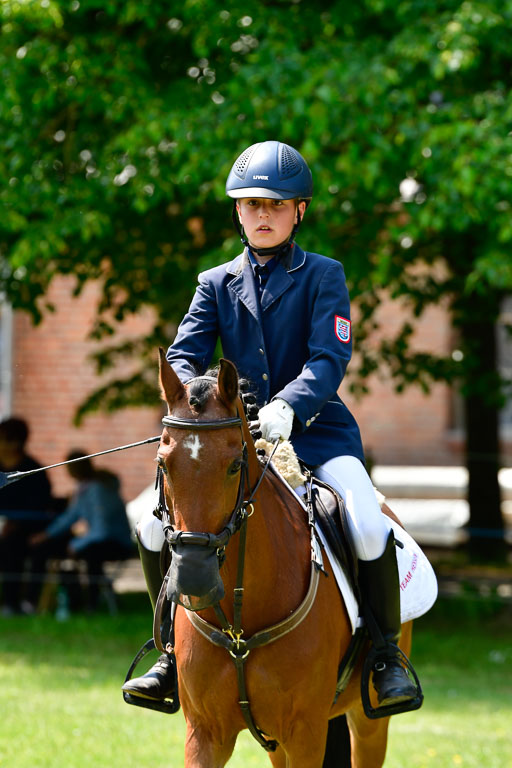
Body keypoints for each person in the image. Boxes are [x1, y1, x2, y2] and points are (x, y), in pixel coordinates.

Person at [123, 140, 419, 713]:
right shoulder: (214, 283)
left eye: (276, 205)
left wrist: (289, 405)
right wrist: (199, 400)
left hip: (315, 433)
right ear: (237, 211)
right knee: (152, 526)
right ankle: (166, 653)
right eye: (252, 204)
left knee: (364, 520)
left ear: (298, 212)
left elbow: (328, 359)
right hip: (231, 442)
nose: (263, 215)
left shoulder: (324, 276)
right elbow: (183, 354)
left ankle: (384, 656)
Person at [28, 451, 133, 611]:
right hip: (100, 540)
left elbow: (102, 529)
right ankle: (70, 601)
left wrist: (77, 544)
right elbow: (70, 517)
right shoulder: (84, 488)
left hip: (116, 542)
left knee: (90, 555)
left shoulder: (98, 489)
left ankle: (91, 604)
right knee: (60, 550)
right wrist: (46, 535)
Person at [0, 417, 53, 615]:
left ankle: (13, 602)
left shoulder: (32, 471)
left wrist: (15, 524)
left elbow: (39, 505)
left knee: (11, 548)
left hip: (24, 532)